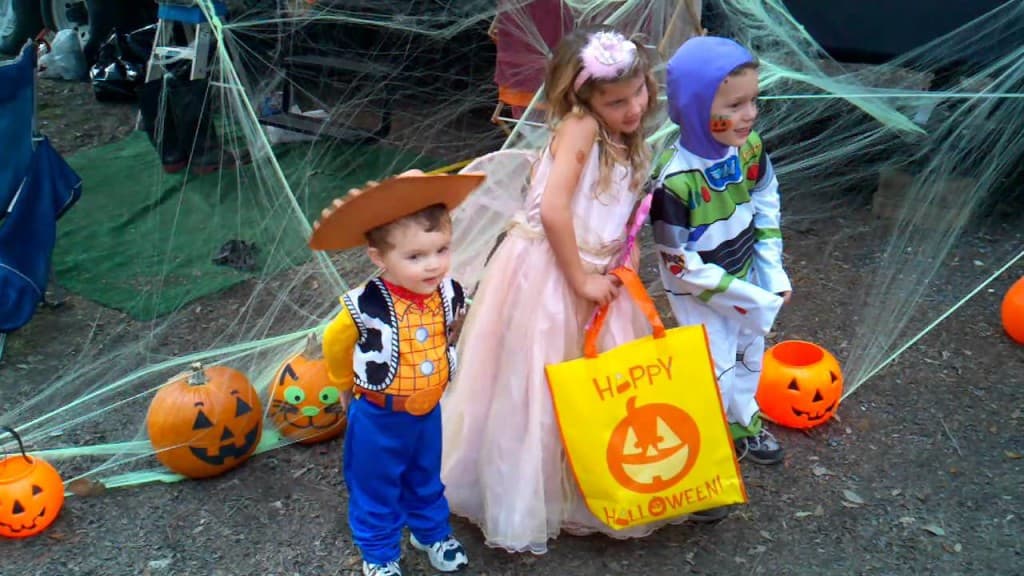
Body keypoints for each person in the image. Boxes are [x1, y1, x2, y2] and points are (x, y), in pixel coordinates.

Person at [440, 26, 671, 554]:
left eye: (638, 93)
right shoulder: (580, 129)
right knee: (538, 383)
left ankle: (585, 483)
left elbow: (620, 206)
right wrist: (579, 278)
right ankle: (525, 495)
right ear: (581, 96)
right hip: (550, 271)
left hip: (600, 272)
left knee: (594, 383)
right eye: (616, 101)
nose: (633, 108)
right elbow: (553, 208)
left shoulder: (624, 136)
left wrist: (623, 255)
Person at [314, 171, 484, 576]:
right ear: (379, 257)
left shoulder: (449, 291)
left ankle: (430, 532)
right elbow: (335, 342)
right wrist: (343, 386)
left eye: (441, 250)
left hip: (427, 410)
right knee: (375, 484)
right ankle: (379, 553)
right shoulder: (366, 304)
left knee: (426, 474)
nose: (433, 265)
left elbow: (451, 327)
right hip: (379, 413)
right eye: (415, 257)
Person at [650, 36, 792, 466]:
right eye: (733, 106)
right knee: (713, 369)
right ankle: (705, 455)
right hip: (703, 294)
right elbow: (679, 265)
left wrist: (771, 274)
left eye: (753, 101)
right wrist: (747, 298)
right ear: (695, 107)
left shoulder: (748, 149)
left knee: (750, 354)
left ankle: (744, 425)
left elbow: (766, 199)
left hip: (745, 274)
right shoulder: (675, 183)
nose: (748, 115)